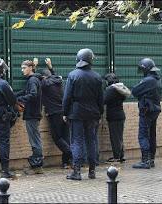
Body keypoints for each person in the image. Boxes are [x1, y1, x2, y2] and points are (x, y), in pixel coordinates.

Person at [63, 48, 104, 180]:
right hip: (93, 113)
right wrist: (100, 113)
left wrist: (65, 112)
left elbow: (67, 96)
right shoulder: (97, 77)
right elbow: (100, 99)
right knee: (91, 141)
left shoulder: (73, 75)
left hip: (76, 113)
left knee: (77, 141)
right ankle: (92, 171)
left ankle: (77, 171)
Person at [39, 58, 72, 169]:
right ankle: (66, 162)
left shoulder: (44, 83)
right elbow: (54, 75)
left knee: (56, 137)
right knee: (65, 137)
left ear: (43, 77)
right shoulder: (58, 81)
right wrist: (51, 67)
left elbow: (35, 79)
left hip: (54, 113)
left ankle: (72, 153)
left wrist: (34, 66)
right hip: (64, 111)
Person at [131, 58, 162, 169]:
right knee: (152, 135)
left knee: (143, 135)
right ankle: (151, 159)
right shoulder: (157, 79)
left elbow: (134, 91)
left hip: (147, 111)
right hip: (154, 110)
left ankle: (145, 160)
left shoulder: (148, 80)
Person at [16, 60, 44, 175]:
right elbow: (25, 91)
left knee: (35, 140)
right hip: (33, 113)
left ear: (31, 68)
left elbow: (33, 94)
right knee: (35, 138)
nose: (22, 70)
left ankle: (37, 166)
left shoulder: (32, 80)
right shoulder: (33, 80)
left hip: (32, 114)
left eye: (24, 68)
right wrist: (14, 95)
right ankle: (36, 165)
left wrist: (20, 100)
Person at [103, 73, 131, 163]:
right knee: (119, 137)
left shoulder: (111, 89)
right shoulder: (120, 88)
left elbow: (103, 100)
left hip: (114, 116)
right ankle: (120, 156)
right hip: (120, 115)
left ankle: (116, 157)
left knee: (115, 137)